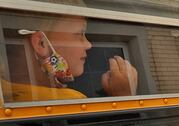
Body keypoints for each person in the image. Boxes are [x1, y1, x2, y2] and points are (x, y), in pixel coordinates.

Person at [2, 11, 138, 102]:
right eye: (79, 34)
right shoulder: (70, 100)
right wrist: (124, 95)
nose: (88, 44)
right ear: (41, 43)